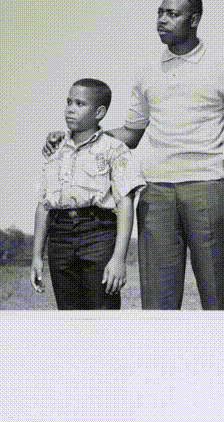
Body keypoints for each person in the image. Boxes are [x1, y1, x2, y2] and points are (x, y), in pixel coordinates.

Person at [44, 0, 224, 310]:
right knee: (157, 303)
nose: (162, 19)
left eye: (172, 14)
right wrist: (79, 135)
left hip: (208, 188)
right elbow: (132, 134)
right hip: (156, 193)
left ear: (194, 20)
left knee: (216, 297)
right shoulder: (146, 73)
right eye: (160, 12)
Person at [31, 78, 144, 309]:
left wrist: (118, 258)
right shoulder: (55, 150)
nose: (70, 109)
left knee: (102, 312)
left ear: (99, 112)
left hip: (98, 235)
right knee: (69, 314)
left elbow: (125, 202)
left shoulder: (114, 149)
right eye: (69, 102)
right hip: (60, 237)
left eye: (80, 104)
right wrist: (36, 256)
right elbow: (43, 204)